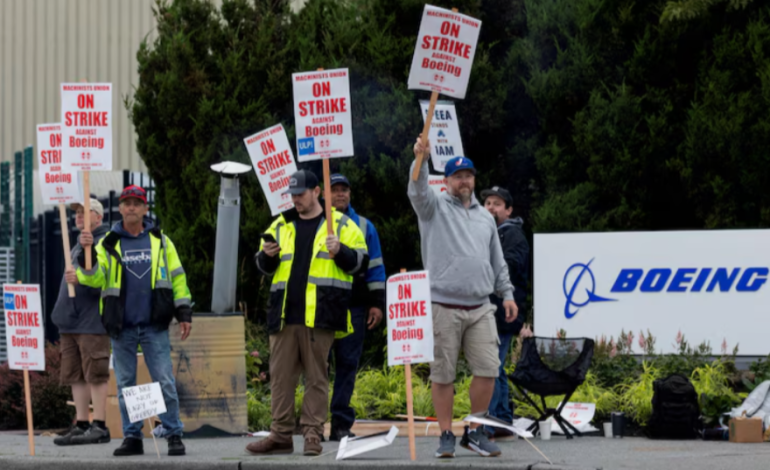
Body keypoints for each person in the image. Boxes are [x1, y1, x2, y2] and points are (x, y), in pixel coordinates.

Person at [408, 139, 518, 459]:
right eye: (457, 176)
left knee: (488, 370)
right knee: (443, 374)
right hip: (442, 305)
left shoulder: (486, 218)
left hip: (482, 306)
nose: (464, 181)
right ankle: (445, 434)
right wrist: (421, 159)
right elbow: (416, 189)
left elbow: (497, 261)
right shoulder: (433, 207)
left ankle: (475, 431)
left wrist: (507, 294)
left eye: (468, 175)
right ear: (446, 182)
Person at [246, 170, 369, 457]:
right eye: (293, 194)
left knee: (317, 378)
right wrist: (266, 255)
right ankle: (280, 435)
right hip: (284, 316)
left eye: (301, 194)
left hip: (321, 314)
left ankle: (313, 435)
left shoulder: (340, 224)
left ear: (317, 192)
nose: (296, 199)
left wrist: (341, 251)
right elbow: (262, 265)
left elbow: (361, 264)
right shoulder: (280, 224)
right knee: (280, 378)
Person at [70, 185, 192, 457]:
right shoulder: (108, 242)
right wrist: (86, 257)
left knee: (165, 381)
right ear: (121, 208)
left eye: (137, 202)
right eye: (127, 203)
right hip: (121, 326)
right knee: (126, 385)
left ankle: (174, 434)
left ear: (146, 208)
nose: (132, 207)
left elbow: (178, 278)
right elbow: (94, 279)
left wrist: (184, 313)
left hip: (154, 324)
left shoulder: (161, 241)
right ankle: (132, 436)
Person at [327, 173, 386, 441]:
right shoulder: (315, 222)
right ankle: (314, 424)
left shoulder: (364, 225)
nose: (340, 194)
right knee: (317, 367)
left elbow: (375, 267)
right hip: (322, 306)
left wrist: (376, 304)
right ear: (324, 194)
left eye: (344, 190)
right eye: (335, 190)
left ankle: (340, 424)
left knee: (348, 365)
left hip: (355, 306)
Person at [52, 197, 111, 446]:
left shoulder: (105, 243)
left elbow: (102, 276)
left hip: (92, 321)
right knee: (75, 374)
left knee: (95, 373)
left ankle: (99, 425)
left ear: (98, 218)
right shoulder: (76, 245)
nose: (78, 217)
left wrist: (82, 274)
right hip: (71, 321)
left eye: (85, 213)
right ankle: (82, 423)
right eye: (76, 213)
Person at [480, 186, 532, 437]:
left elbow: (508, 267)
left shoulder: (512, 235)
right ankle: (502, 420)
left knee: (491, 367)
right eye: (488, 203)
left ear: (509, 210)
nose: (491, 208)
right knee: (497, 367)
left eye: (497, 204)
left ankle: (490, 423)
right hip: (495, 312)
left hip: (504, 313)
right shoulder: (491, 234)